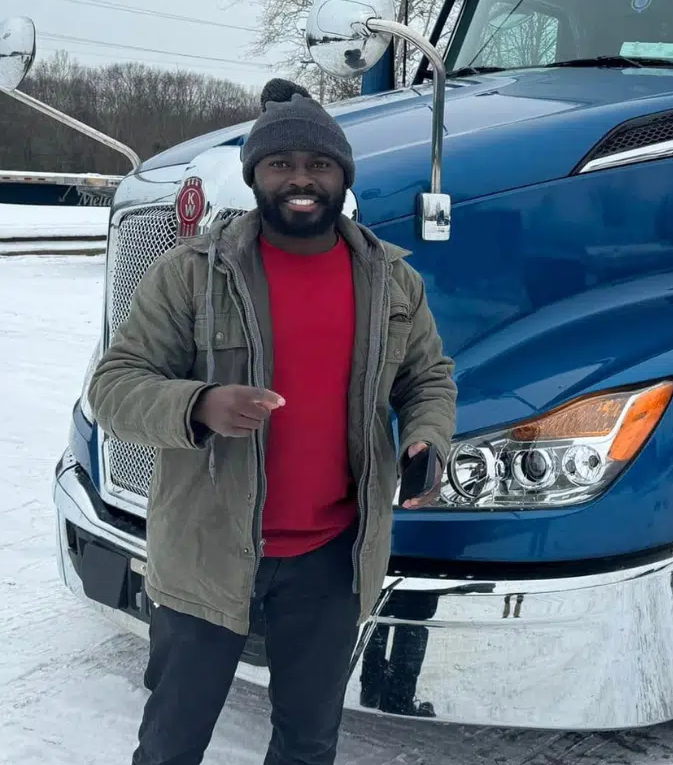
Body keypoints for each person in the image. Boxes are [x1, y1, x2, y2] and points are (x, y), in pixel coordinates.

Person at [88, 77, 457, 765]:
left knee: (309, 744)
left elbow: (427, 377)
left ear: (341, 178)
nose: (300, 179)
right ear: (256, 174)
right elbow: (113, 385)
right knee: (170, 743)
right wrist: (197, 405)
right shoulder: (191, 274)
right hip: (209, 551)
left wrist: (427, 438)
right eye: (281, 164)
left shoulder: (389, 280)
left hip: (330, 560)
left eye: (318, 165)